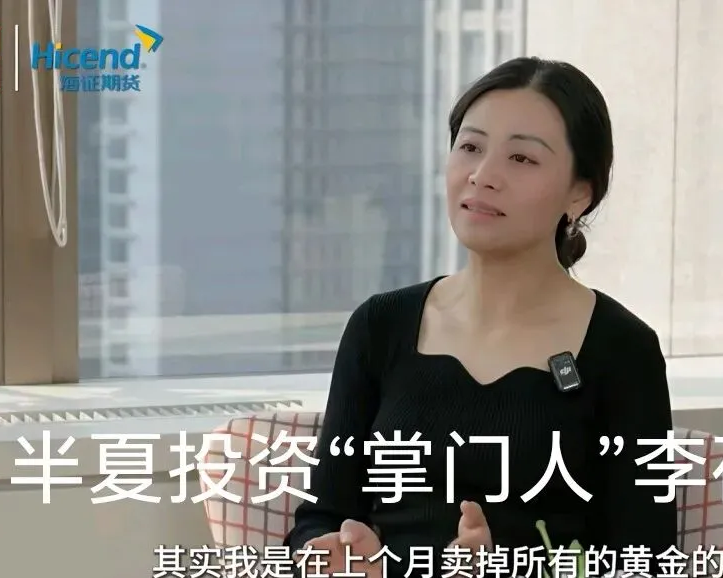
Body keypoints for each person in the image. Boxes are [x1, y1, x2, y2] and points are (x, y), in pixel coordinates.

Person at [284, 56, 676, 577]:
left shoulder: (622, 349)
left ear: (579, 193)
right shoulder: (380, 325)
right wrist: (334, 554)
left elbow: (647, 561)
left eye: (522, 158)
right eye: (470, 147)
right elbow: (321, 516)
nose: (483, 176)